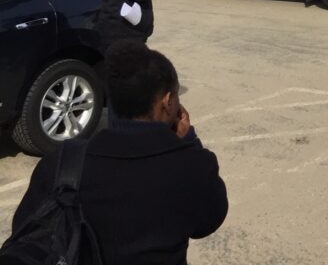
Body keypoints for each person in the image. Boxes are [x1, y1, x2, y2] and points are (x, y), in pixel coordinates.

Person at [9, 40, 228, 265]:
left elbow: (26, 231)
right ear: (168, 101)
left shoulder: (62, 164)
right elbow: (208, 222)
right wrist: (189, 140)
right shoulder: (194, 166)